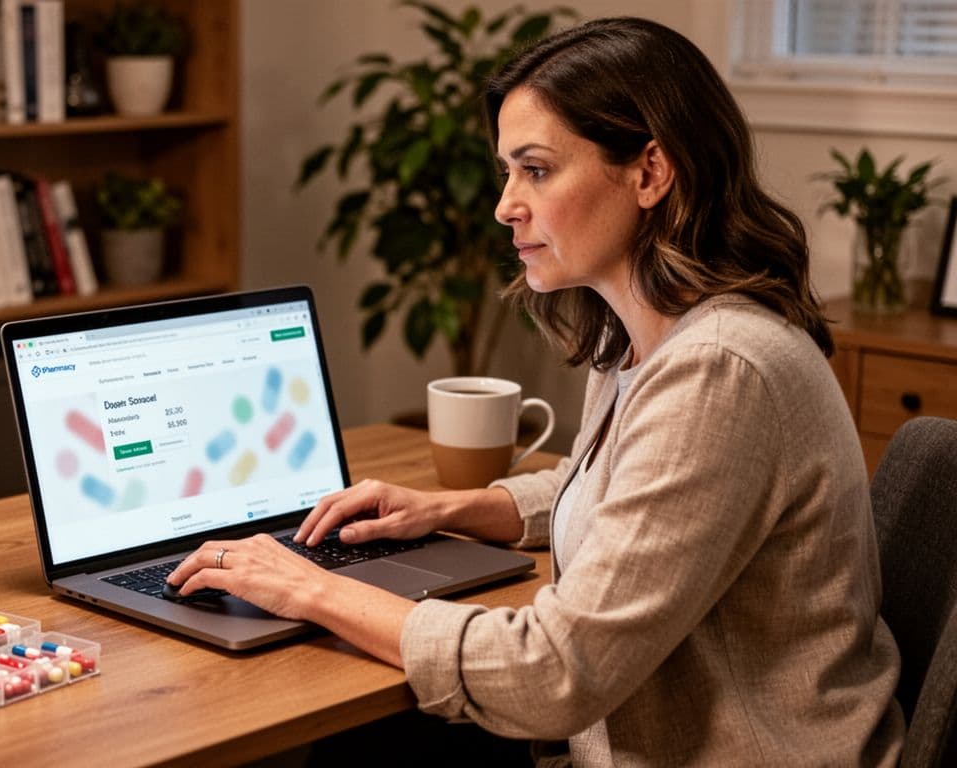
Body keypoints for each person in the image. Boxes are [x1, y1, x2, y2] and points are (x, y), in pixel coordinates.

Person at [167, 17, 904, 764]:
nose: (505, 205)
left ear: (651, 172)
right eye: (506, 171)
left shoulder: (720, 369)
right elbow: (631, 489)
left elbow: (554, 673)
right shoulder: (645, 335)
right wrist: (450, 508)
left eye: (538, 170)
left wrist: (308, 589)